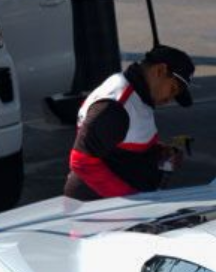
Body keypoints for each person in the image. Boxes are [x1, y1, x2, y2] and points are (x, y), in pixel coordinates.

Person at [64, 44, 196, 201]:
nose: (170, 99)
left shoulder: (137, 94)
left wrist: (157, 152)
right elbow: (82, 161)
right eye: (173, 89)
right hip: (100, 209)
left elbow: (119, 143)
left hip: (118, 206)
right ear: (160, 70)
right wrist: (131, 201)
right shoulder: (115, 106)